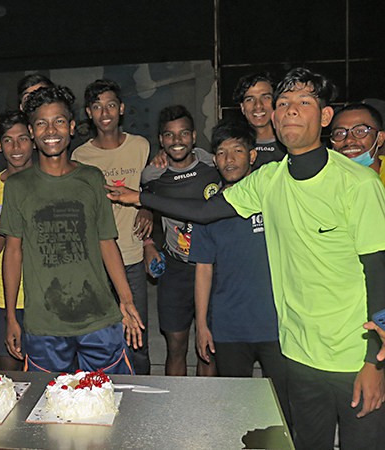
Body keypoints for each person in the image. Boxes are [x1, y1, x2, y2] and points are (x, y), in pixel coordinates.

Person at [106, 67, 385, 450]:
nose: (290, 110)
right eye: (283, 103)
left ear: (324, 117)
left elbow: (378, 274)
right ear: (273, 118)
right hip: (297, 353)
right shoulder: (268, 180)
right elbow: (206, 212)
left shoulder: (359, 184)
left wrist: (376, 362)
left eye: (304, 102)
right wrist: (139, 197)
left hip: (353, 358)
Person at [0, 85, 144, 374]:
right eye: (42, 123)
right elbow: (13, 253)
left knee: (108, 397)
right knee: (49, 401)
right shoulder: (17, 186)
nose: (51, 130)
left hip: (99, 317)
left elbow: (107, 242)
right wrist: (12, 317)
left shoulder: (91, 178)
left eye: (59, 121)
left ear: (72, 127)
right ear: (32, 131)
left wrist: (126, 300)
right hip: (45, 324)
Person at [188, 119, 290, 424]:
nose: (229, 159)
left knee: (284, 408)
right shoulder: (209, 210)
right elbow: (203, 269)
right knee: (235, 411)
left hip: (278, 324)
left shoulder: (273, 198)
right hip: (229, 326)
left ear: (252, 155)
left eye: (237, 150)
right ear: (214, 159)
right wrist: (202, 325)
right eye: (221, 152)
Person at [71, 79, 153, 375]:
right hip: (96, 264)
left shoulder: (141, 146)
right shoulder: (80, 157)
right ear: (88, 113)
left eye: (110, 105)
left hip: (131, 258)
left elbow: (152, 186)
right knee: (99, 340)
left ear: (121, 109)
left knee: (138, 340)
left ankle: (141, 392)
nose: (104, 113)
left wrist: (148, 208)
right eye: (97, 106)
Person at [141, 105, 220, 376]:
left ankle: (206, 403)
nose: (177, 140)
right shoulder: (153, 175)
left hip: (212, 268)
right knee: (176, 346)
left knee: (208, 347)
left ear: (194, 136)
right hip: (176, 271)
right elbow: (142, 208)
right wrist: (148, 243)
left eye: (184, 133)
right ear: (161, 140)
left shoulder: (213, 166)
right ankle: (177, 400)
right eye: (170, 135)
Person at [0, 110, 34, 371]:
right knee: (9, 376)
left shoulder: (48, 181)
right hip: (3, 299)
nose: (16, 147)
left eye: (22, 139)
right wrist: (11, 210)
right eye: (8, 140)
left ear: (33, 139)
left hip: (45, 297)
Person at [232, 72, 286, 168]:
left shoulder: (291, 143)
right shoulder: (234, 147)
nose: (258, 105)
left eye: (266, 97)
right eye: (250, 99)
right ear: (242, 107)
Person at [330, 103, 385, 184]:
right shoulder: (327, 180)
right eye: (340, 133)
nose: (349, 140)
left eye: (360, 131)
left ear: (380, 138)